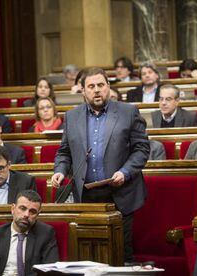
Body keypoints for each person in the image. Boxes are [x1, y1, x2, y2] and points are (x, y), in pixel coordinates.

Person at [51, 67, 150, 262]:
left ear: (108, 87)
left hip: (120, 193)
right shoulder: (72, 116)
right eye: (91, 86)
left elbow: (142, 149)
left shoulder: (128, 111)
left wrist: (126, 171)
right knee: (89, 255)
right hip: (86, 196)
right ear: (83, 91)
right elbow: (64, 152)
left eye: (100, 85)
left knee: (121, 254)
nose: (96, 90)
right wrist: (60, 171)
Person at [0, 190, 59, 275]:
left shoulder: (46, 234)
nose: (26, 215)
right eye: (23, 208)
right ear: (13, 209)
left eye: (32, 212)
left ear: (37, 215)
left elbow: (48, 270)